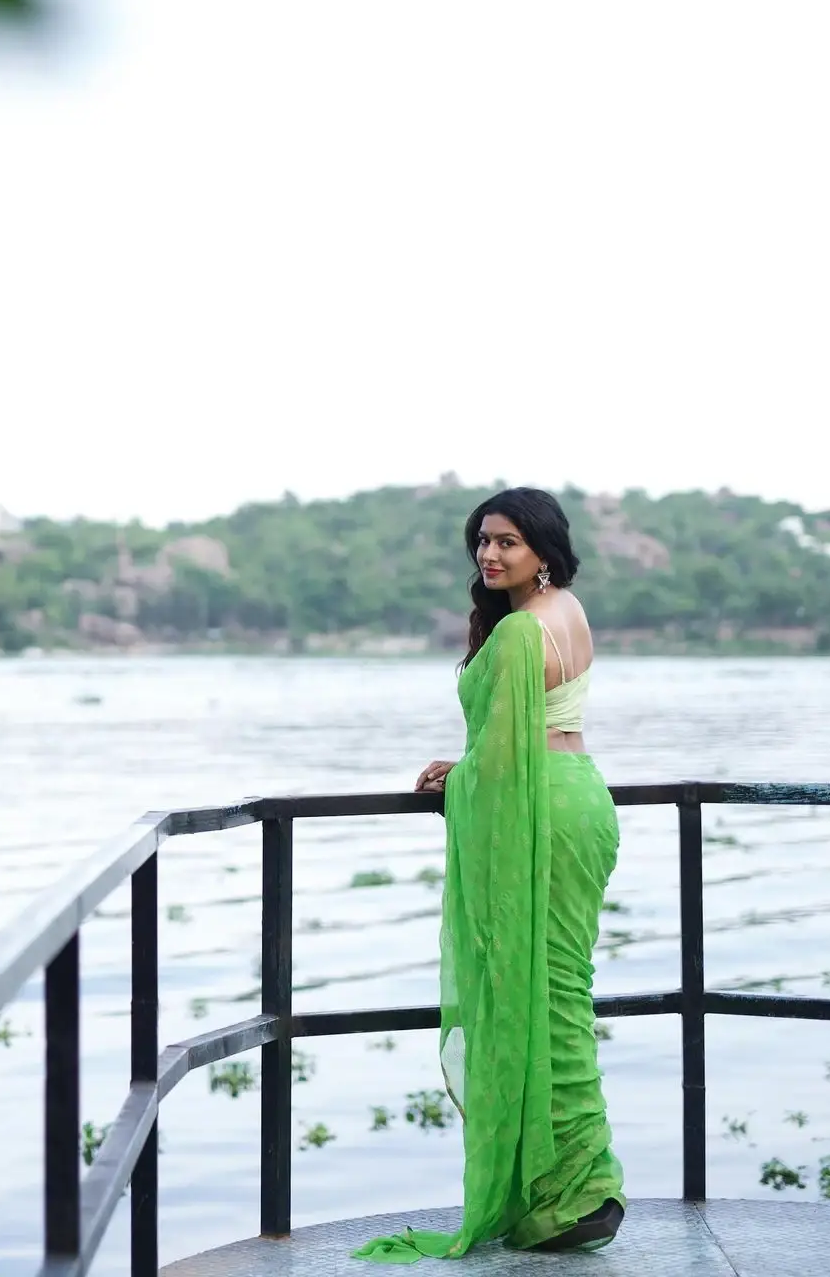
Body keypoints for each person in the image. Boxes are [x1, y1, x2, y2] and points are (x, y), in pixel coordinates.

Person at [354, 487, 625, 1263]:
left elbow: (505, 762)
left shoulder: (515, 635)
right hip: (582, 799)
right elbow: (521, 736)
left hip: (542, 809)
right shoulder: (567, 611)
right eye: (482, 541)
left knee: (537, 993)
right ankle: (583, 1185)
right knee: (562, 988)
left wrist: (462, 779)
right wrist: (469, 763)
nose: (490, 554)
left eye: (507, 541)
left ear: (542, 547)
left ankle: (576, 1195)